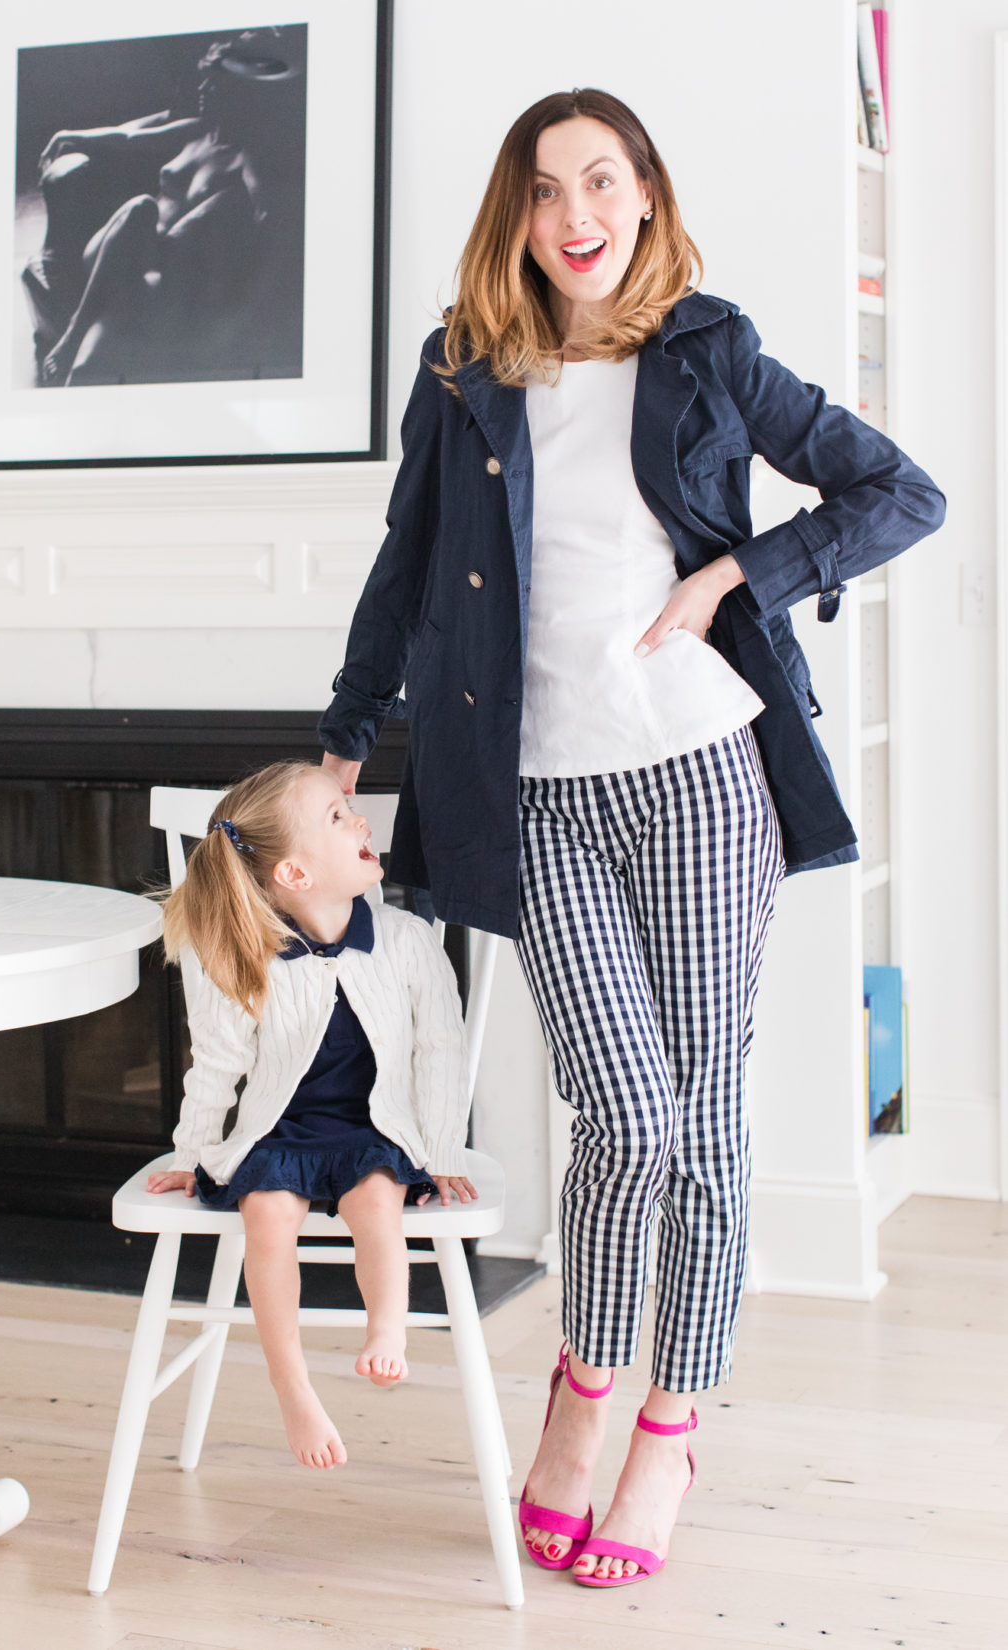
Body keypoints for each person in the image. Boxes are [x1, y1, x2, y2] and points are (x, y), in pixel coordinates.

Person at [318, 88, 946, 1584]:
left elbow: (897, 489)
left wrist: (744, 570)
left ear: (646, 196)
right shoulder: (464, 369)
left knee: (705, 1118)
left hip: (699, 776)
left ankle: (670, 1422)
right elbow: (406, 561)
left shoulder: (710, 349)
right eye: (545, 190)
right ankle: (582, 1391)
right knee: (626, 1114)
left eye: (601, 180)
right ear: (517, 217)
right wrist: (345, 734)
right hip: (535, 792)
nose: (574, 213)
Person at [147, 760, 477, 1470]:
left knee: (378, 1206)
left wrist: (444, 1149)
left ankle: (387, 1330)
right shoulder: (249, 957)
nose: (360, 821)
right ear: (293, 875)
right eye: (336, 816)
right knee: (265, 1217)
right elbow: (217, 1064)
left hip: (373, 1131)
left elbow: (441, 1048)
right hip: (282, 1133)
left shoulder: (405, 941)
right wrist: (189, 1153)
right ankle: (291, 1384)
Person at [22, 28, 303, 387]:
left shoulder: (248, 160)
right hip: (114, 254)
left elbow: (271, 225)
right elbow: (128, 138)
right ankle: (73, 335)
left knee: (84, 373)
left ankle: (76, 343)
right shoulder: (197, 131)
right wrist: (69, 134)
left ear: (239, 94)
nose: (202, 91)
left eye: (213, 85)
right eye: (204, 82)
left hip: (159, 276)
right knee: (140, 209)